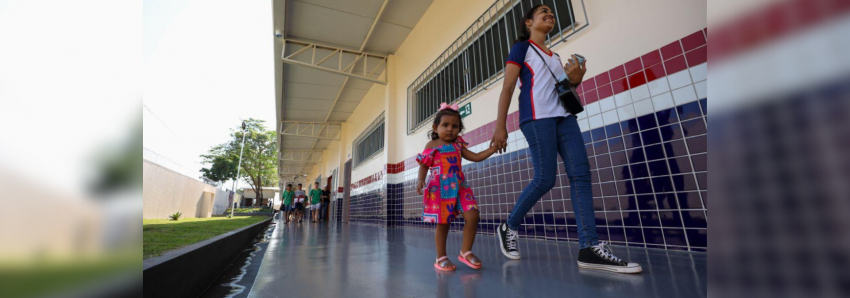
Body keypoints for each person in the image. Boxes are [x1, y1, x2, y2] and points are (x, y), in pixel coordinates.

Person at [491, 4, 641, 273]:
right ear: (528, 23)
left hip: (565, 118)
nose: (550, 14)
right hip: (537, 119)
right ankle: (509, 225)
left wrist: (576, 79)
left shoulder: (555, 55)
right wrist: (500, 126)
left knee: (581, 175)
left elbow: (562, 90)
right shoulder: (521, 49)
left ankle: (588, 247)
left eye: (552, 12)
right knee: (545, 178)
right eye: (543, 12)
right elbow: (508, 87)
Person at [416, 104, 498, 271]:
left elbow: (475, 157)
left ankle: (465, 252)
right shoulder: (431, 145)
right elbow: (424, 165)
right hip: (440, 188)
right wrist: (420, 180)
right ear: (435, 127)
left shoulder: (458, 145)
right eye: (445, 125)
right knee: (443, 223)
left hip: (460, 186)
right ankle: (441, 257)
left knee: (473, 215)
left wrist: (493, 149)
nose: (450, 129)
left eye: (455, 126)